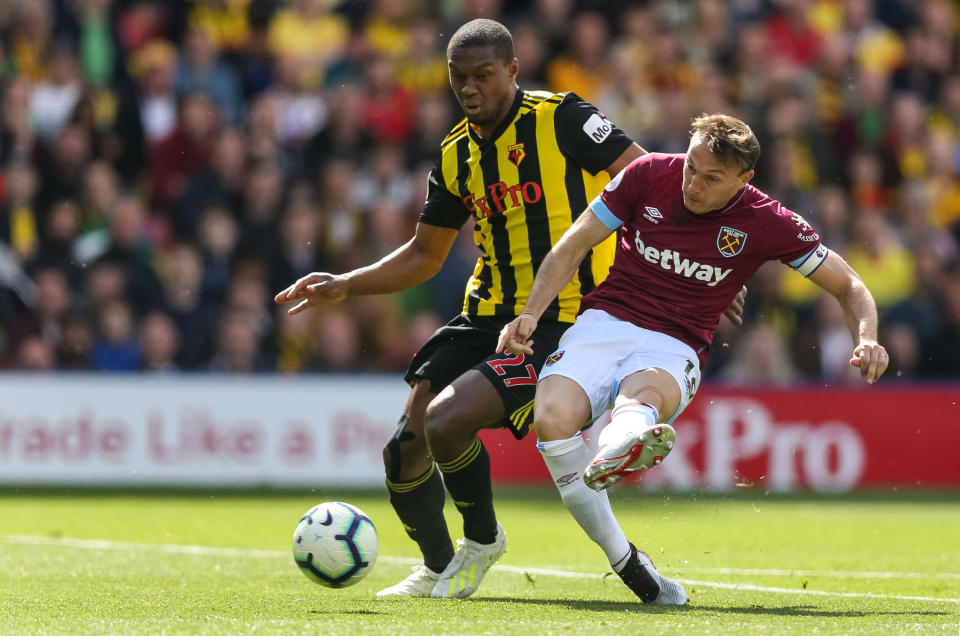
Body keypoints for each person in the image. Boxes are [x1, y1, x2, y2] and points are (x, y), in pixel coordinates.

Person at [275, 19, 729, 601]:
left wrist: (702, 256)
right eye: (458, 78)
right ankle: (439, 567)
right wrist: (345, 284)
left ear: (512, 72)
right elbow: (424, 254)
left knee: (446, 420)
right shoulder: (455, 154)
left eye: (483, 76)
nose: (469, 89)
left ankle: (483, 540)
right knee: (405, 444)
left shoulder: (562, 118)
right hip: (484, 314)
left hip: (562, 322)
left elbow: (649, 179)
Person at [497, 113, 889, 604]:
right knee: (550, 421)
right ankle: (628, 557)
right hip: (605, 322)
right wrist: (530, 314)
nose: (693, 184)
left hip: (674, 343)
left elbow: (849, 284)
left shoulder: (767, 220)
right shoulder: (648, 173)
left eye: (711, 178)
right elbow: (575, 242)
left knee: (639, 393)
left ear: (744, 180)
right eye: (691, 168)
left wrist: (867, 336)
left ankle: (624, 439)